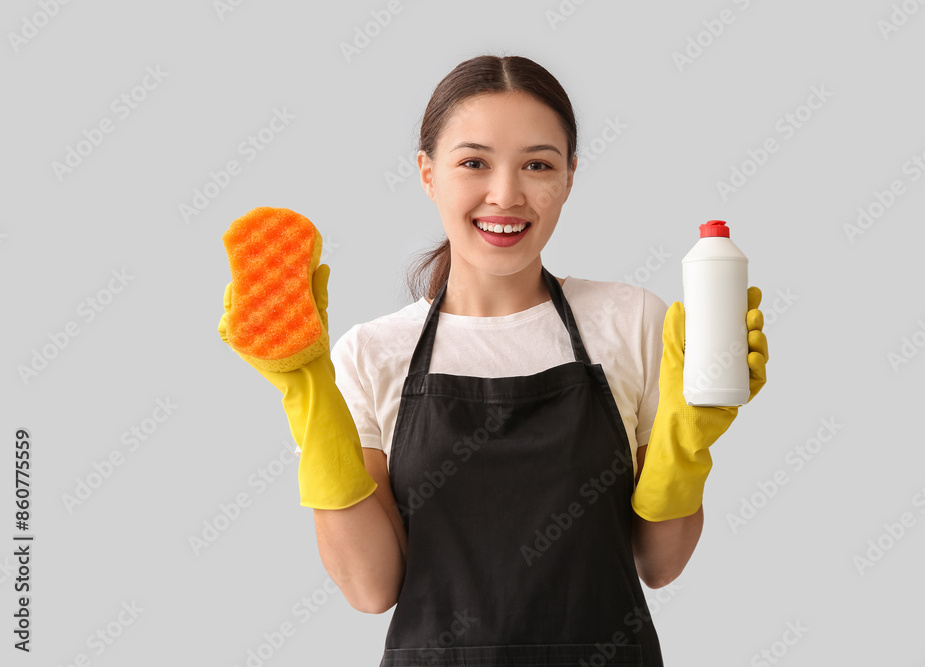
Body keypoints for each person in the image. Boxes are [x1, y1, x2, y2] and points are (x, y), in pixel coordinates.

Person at [219, 54, 768, 667]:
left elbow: (659, 563)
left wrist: (687, 438)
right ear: (427, 173)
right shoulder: (372, 353)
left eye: (538, 164)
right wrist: (306, 389)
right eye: (473, 162)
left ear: (569, 176)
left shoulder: (632, 321)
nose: (506, 195)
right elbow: (370, 588)